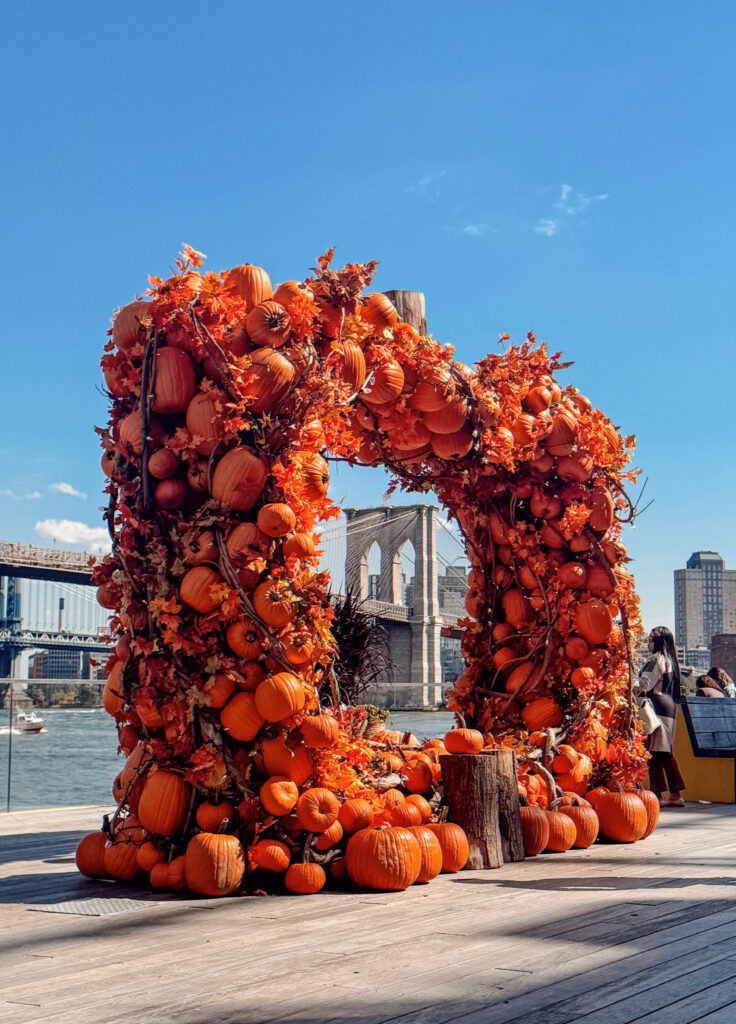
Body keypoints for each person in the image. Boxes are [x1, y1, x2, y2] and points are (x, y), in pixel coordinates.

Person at [638, 626, 687, 806]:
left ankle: (659, 795)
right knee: (662, 751)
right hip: (669, 707)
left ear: (658, 641)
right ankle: (671, 794)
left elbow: (644, 685)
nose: (647, 642)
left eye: (650, 639)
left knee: (655, 751)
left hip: (655, 707)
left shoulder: (656, 659)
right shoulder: (671, 661)